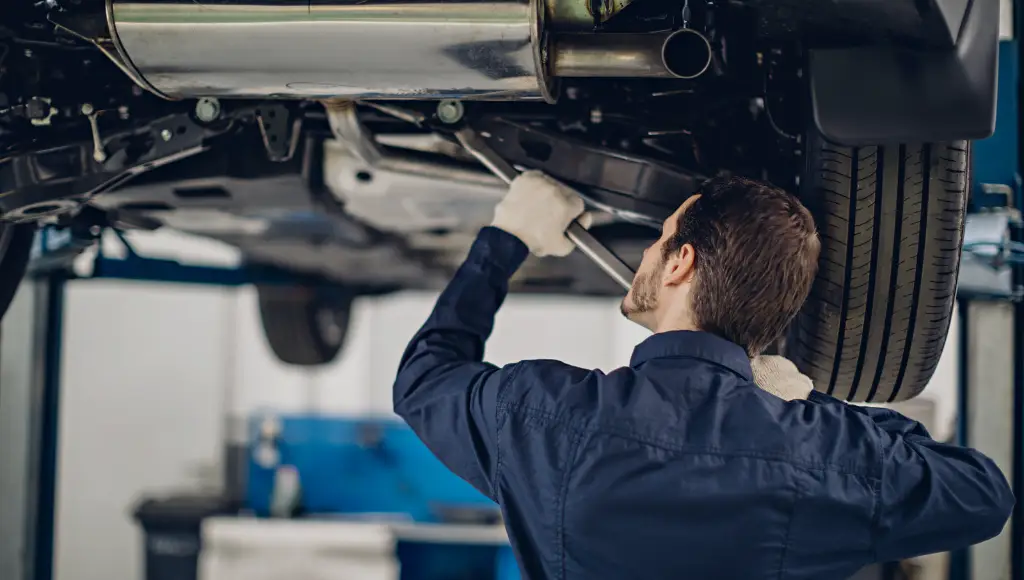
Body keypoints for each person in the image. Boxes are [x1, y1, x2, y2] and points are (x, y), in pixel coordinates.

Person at [392, 171, 1013, 579]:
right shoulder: (820, 453)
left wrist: (507, 238)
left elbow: (424, 377)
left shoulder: (539, 415)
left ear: (680, 264)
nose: (646, 253)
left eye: (659, 239)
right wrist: (816, 408)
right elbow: (983, 495)